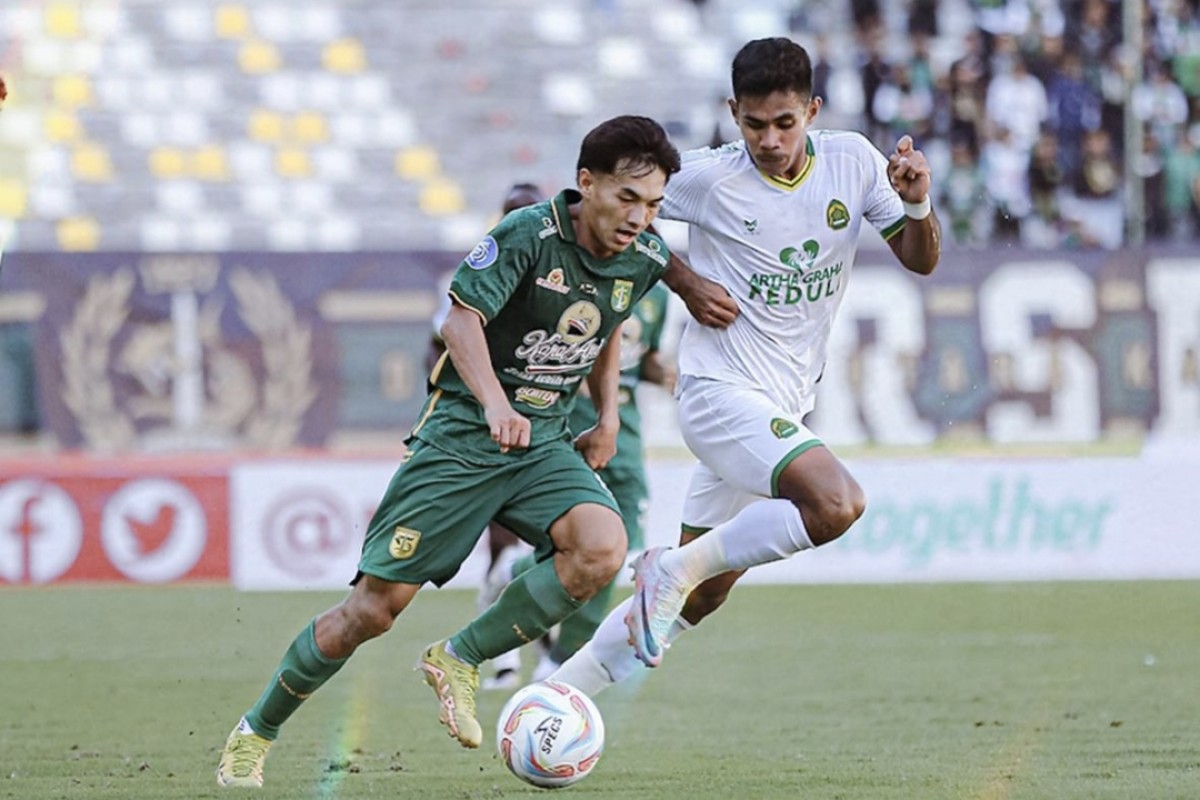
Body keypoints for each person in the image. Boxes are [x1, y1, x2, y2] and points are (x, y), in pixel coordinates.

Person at [215, 114, 682, 787]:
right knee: (371, 612)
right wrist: (494, 401)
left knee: (602, 547)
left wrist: (607, 415)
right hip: (464, 438)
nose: (640, 217)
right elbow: (458, 320)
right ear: (587, 183)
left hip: (542, 440)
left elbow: (608, 328)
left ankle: (461, 656)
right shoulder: (526, 234)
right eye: (628, 198)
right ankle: (254, 732)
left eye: (654, 204)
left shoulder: (638, 258)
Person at [549, 37, 941, 695]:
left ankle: (558, 695)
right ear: (734, 112)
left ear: (812, 110)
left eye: (785, 123)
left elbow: (921, 259)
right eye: (754, 124)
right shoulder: (708, 177)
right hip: (717, 393)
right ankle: (668, 569)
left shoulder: (853, 163)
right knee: (836, 503)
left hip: (783, 401)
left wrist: (918, 204)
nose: (770, 139)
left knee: (702, 599)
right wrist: (681, 279)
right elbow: (603, 200)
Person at [477, 280, 675, 687]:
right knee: (594, 548)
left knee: (620, 549)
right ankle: (563, 660)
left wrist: (673, 375)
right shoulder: (577, 277)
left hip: (625, 436)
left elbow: (641, 360)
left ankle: (513, 571)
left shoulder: (655, 293)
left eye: (649, 212)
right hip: (566, 430)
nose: (638, 220)